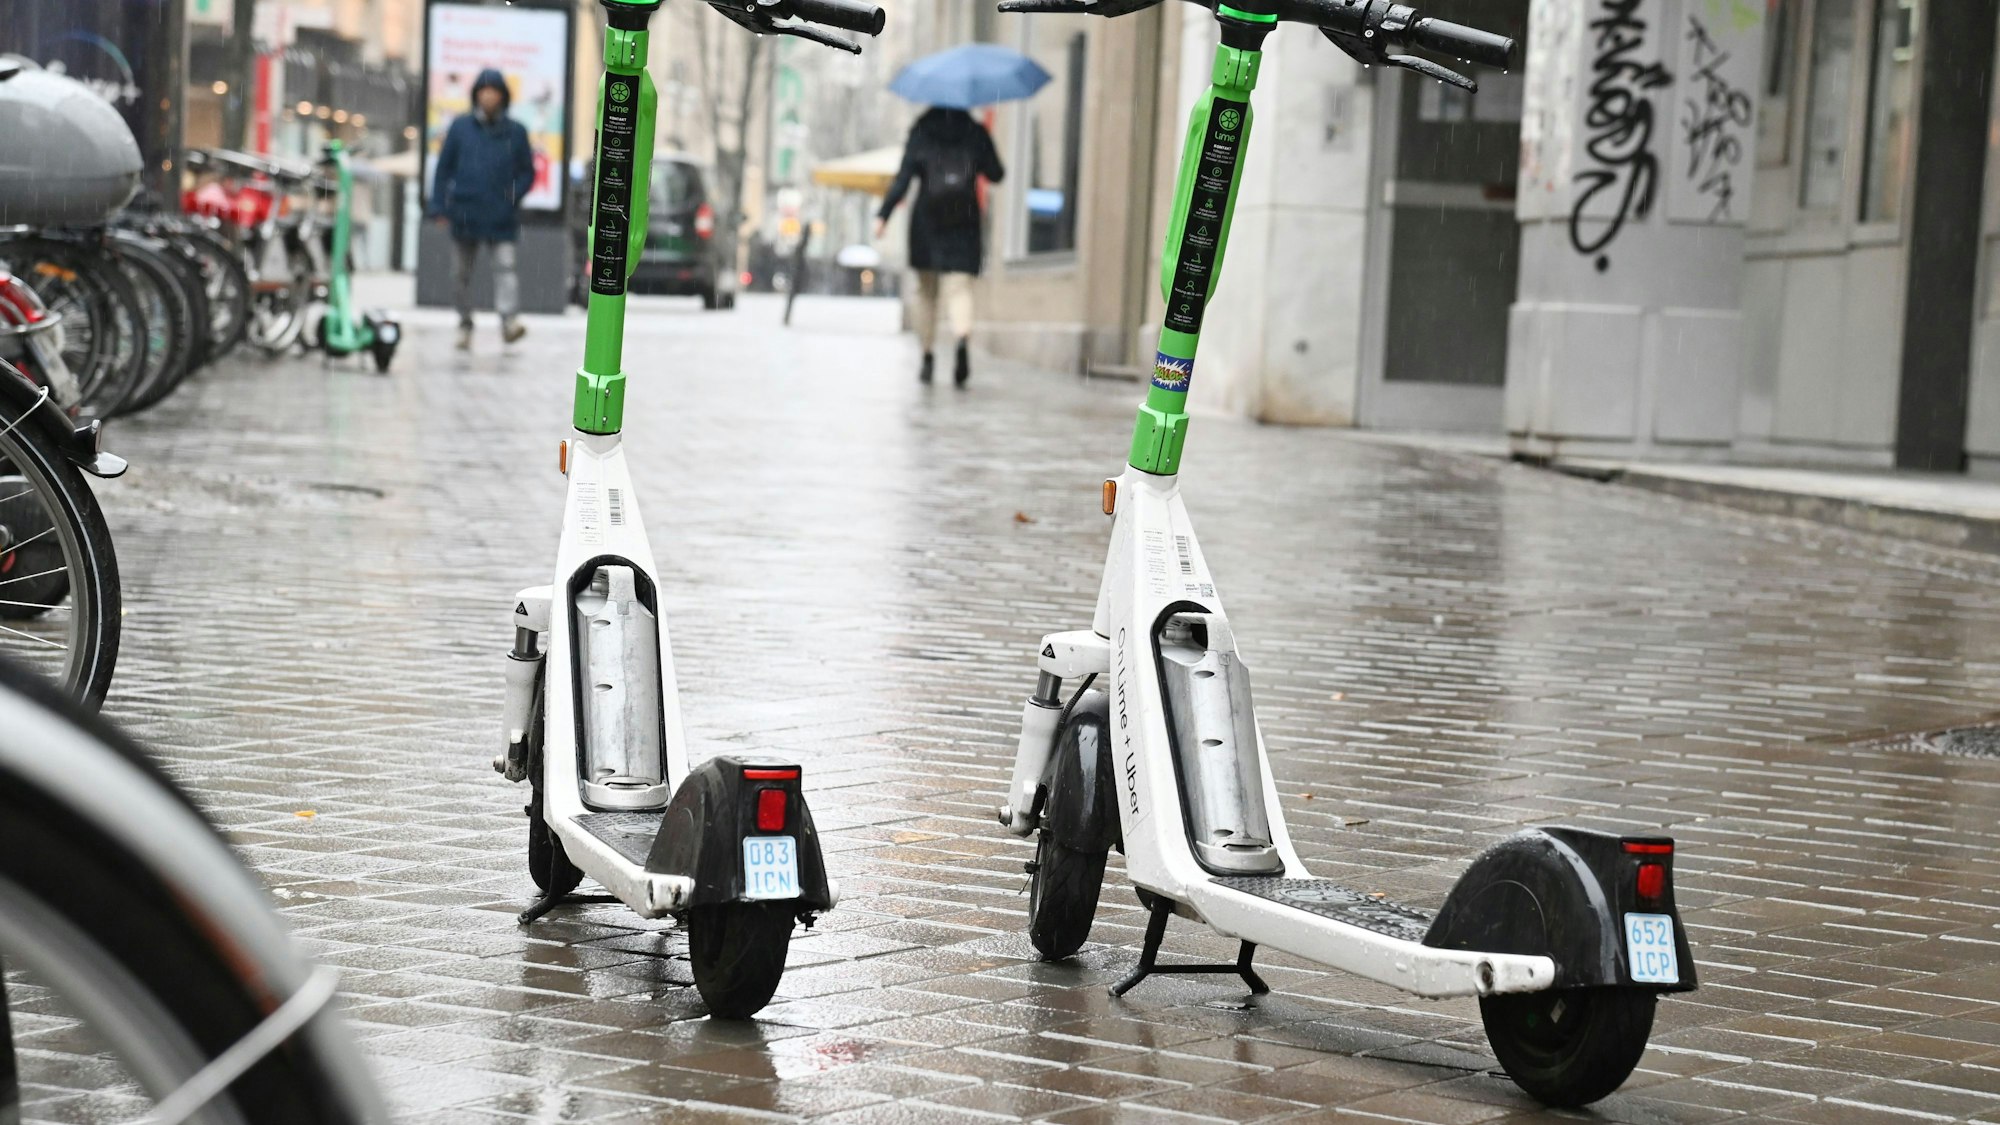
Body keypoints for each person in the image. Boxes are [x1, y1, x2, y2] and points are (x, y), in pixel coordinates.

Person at [874, 106, 1004, 387]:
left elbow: (903, 179)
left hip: (927, 222)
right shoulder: (975, 131)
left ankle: (928, 355)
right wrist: (980, 149)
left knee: (926, 293)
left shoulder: (922, 130)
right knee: (959, 289)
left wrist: (883, 216)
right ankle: (960, 338)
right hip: (964, 221)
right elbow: (997, 173)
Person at [429, 69, 534, 350]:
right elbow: (443, 170)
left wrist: (513, 195)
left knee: (506, 268)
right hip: (466, 213)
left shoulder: (516, 131)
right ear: (476, 94)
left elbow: (527, 172)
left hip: (501, 216)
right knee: (460, 274)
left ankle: (509, 321)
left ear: (503, 95)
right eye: (483, 90)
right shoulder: (460, 128)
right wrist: (439, 205)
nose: (488, 95)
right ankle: (465, 324)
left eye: (494, 90)